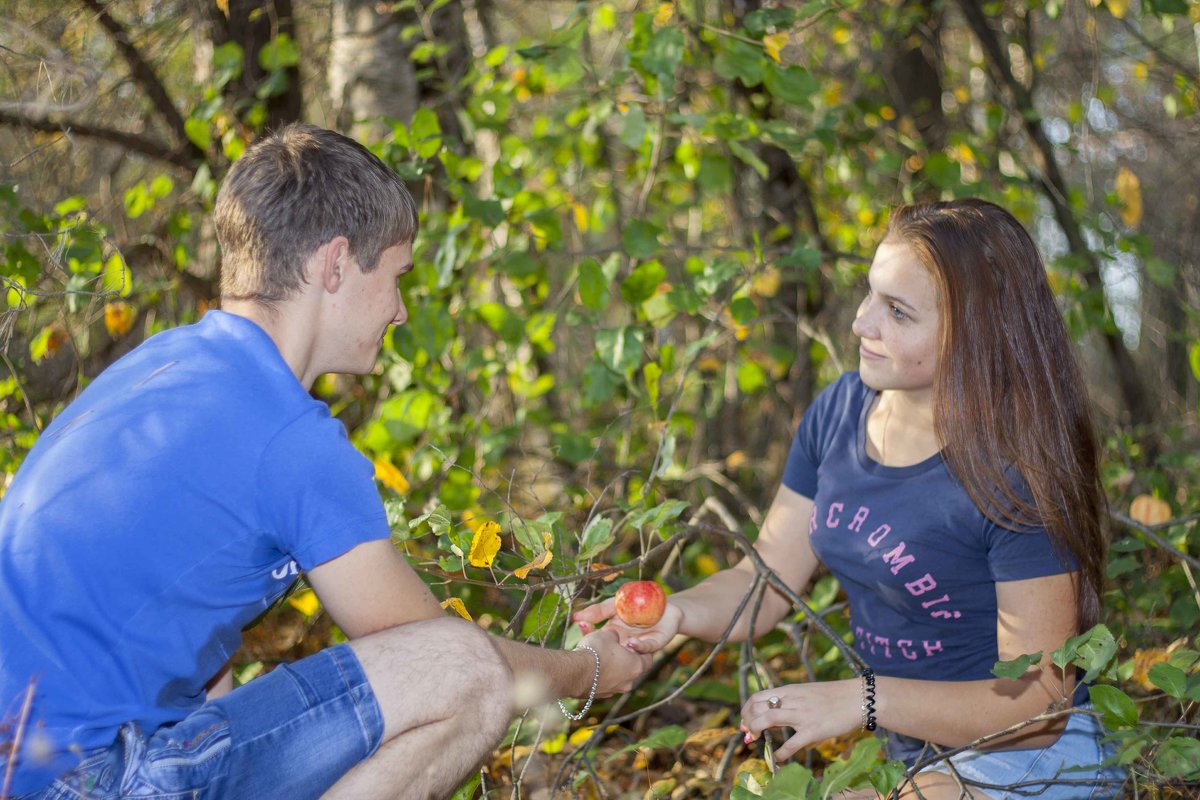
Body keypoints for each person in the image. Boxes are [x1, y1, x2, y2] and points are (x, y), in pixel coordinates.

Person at [0, 123, 650, 800]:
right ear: (336, 264)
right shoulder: (289, 436)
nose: (399, 311)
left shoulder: (159, 369)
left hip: (43, 765)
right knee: (465, 668)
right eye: (396, 276)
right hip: (81, 781)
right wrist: (589, 670)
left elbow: (196, 647)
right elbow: (440, 653)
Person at [576, 199, 1125, 799]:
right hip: (912, 755)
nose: (863, 323)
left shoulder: (1015, 470)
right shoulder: (838, 413)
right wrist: (675, 614)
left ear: (975, 335)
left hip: (1032, 761)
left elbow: (1040, 708)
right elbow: (763, 582)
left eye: (897, 311)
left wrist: (864, 699)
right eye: (871, 294)